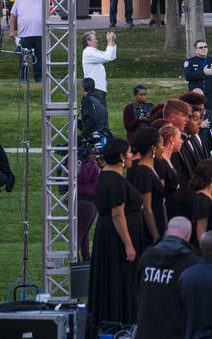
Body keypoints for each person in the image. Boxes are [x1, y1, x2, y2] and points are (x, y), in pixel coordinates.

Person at [89, 139, 146, 325]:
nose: (132, 157)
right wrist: (128, 245)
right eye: (130, 153)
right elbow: (117, 215)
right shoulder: (114, 180)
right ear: (121, 157)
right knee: (119, 280)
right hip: (116, 239)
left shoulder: (107, 175)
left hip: (108, 235)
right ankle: (119, 320)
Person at [135, 217, 198, 339]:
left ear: (166, 232)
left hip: (146, 330)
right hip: (176, 331)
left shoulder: (146, 257)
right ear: (188, 235)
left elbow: (137, 290)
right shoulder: (191, 261)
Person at [184, 39, 212, 152]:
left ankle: (210, 144)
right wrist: (203, 73)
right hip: (195, 98)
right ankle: (195, 142)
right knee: (195, 117)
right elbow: (188, 76)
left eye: (205, 47)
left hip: (209, 97)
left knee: (210, 120)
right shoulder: (190, 62)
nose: (204, 49)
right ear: (196, 50)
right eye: (201, 47)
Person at [129, 127, 166, 243]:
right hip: (150, 228)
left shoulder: (150, 168)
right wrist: (155, 235)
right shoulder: (144, 172)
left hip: (158, 220)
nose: (163, 149)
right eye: (161, 145)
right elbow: (146, 207)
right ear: (153, 148)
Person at [8, 0, 43, 82]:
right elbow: (13, 16)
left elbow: (47, 17)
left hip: (39, 35)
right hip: (24, 35)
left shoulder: (41, 0)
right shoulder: (19, 0)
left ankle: (39, 78)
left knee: (39, 59)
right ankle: (24, 78)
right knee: (24, 59)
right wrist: (11, 30)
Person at [82, 30, 117, 105]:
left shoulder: (94, 51)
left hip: (99, 88)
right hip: (94, 89)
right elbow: (107, 57)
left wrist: (112, 42)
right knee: (96, 114)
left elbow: (111, 57)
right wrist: (109, 42)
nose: (97, 41)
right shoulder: (88, 52)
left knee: (102, 114)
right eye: (95, 39)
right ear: (88, 41)